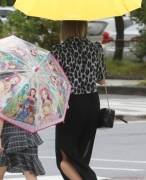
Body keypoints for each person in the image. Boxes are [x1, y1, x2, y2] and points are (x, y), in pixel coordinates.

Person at [52, 20, 106, 180]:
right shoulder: (96, 48)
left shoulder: (59, 50)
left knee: (65, 159)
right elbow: (101, 80)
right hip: (92, 103)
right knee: (81, 155)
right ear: (83, 27)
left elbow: (55, 80)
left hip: (70, 104)